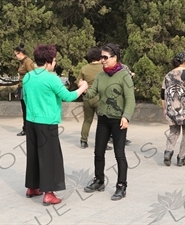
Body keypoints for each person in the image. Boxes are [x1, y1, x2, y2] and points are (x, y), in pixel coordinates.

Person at [23, 44, 88, 206]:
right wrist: (83, 88)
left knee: (33, 155)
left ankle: (32, 187)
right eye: (54, 60)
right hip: (47, 123)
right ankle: (49, 193)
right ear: (47, 61)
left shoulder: (27, 77)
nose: (55, 63)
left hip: (31, 121)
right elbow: (68, 96)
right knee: (50, 158)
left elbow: (24, 97)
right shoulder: (51, 78)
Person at [83, 43, 135, 201]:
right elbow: (92, 92)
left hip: (118, 120)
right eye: (101, 57)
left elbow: (130, 99)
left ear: (115, 58)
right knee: (98, 152)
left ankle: (121, 185)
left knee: (119, 154)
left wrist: (126, 116)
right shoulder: (100, 75)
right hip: (103, 118)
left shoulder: (124, 75)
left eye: (105, 57)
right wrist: (83, 89)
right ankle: (99, 180)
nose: (102, 60)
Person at [76, 47, 113, 150]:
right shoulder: (103, 68)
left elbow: (78, 82)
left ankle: (83, 141)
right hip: (100, 98)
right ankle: (103, 143)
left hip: (87, 97)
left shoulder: (84, 68)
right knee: (102, 122)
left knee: (87, 120)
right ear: (100, 57)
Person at [14, 43, 35, 136]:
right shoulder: (22, 62)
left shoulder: (28, 62)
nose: (16, 56)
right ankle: (26, 128)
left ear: (21, 52)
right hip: (22, 87)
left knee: (27, 109)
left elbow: (32, 75)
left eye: (17, 54)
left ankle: (27, 129)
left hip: (27, 89)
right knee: (25, 109)